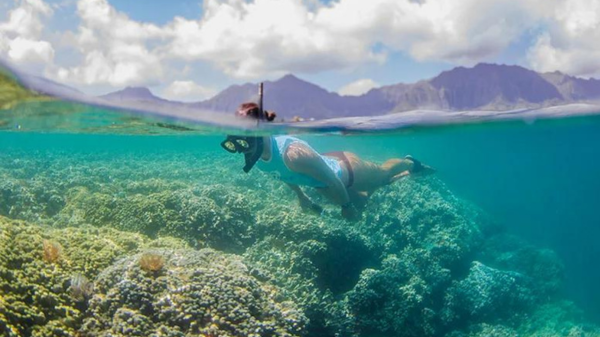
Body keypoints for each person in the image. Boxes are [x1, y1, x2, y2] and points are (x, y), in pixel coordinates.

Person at [221, 102, 434, 220]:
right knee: (364, 202)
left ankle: (408, 163)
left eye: (245, 142)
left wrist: (346, 206)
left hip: (348, 171)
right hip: (323, 180)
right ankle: (388, 183)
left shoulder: (294, 154)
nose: (243, 151)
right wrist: (301, 196)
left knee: (383, 175)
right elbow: (282, 174)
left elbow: (332, 178)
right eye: (238, 145)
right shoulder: (257, 158)